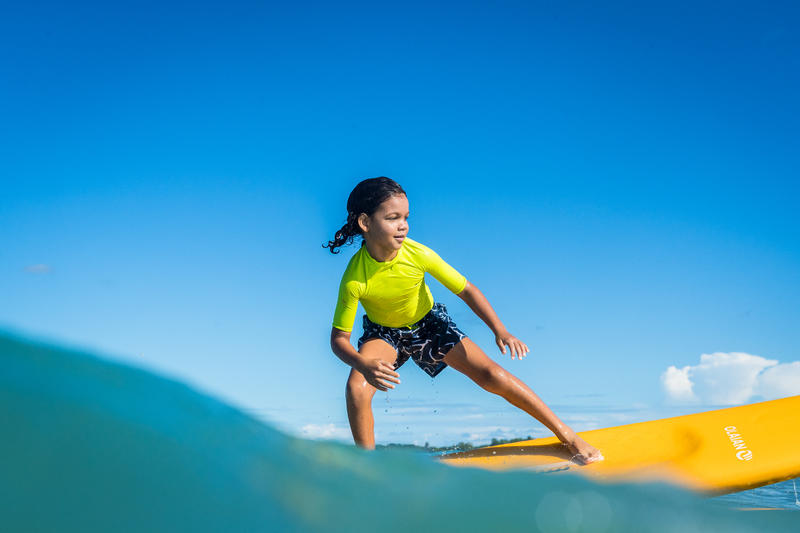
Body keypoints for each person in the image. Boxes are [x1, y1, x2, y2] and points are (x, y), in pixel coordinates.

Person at [324, 177, 602, 465]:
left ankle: (568, 435)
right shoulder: (355, 277)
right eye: (393, 218)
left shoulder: (419, 255)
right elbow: (338, 340)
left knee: (492, 376)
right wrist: (362, 363)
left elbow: (467, 289)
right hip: (384, 333)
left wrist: (500, 330)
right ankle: (367, 468)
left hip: (429, 324)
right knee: (356, 388)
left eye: (406, 217)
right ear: (365, 223)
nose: (403, 225)